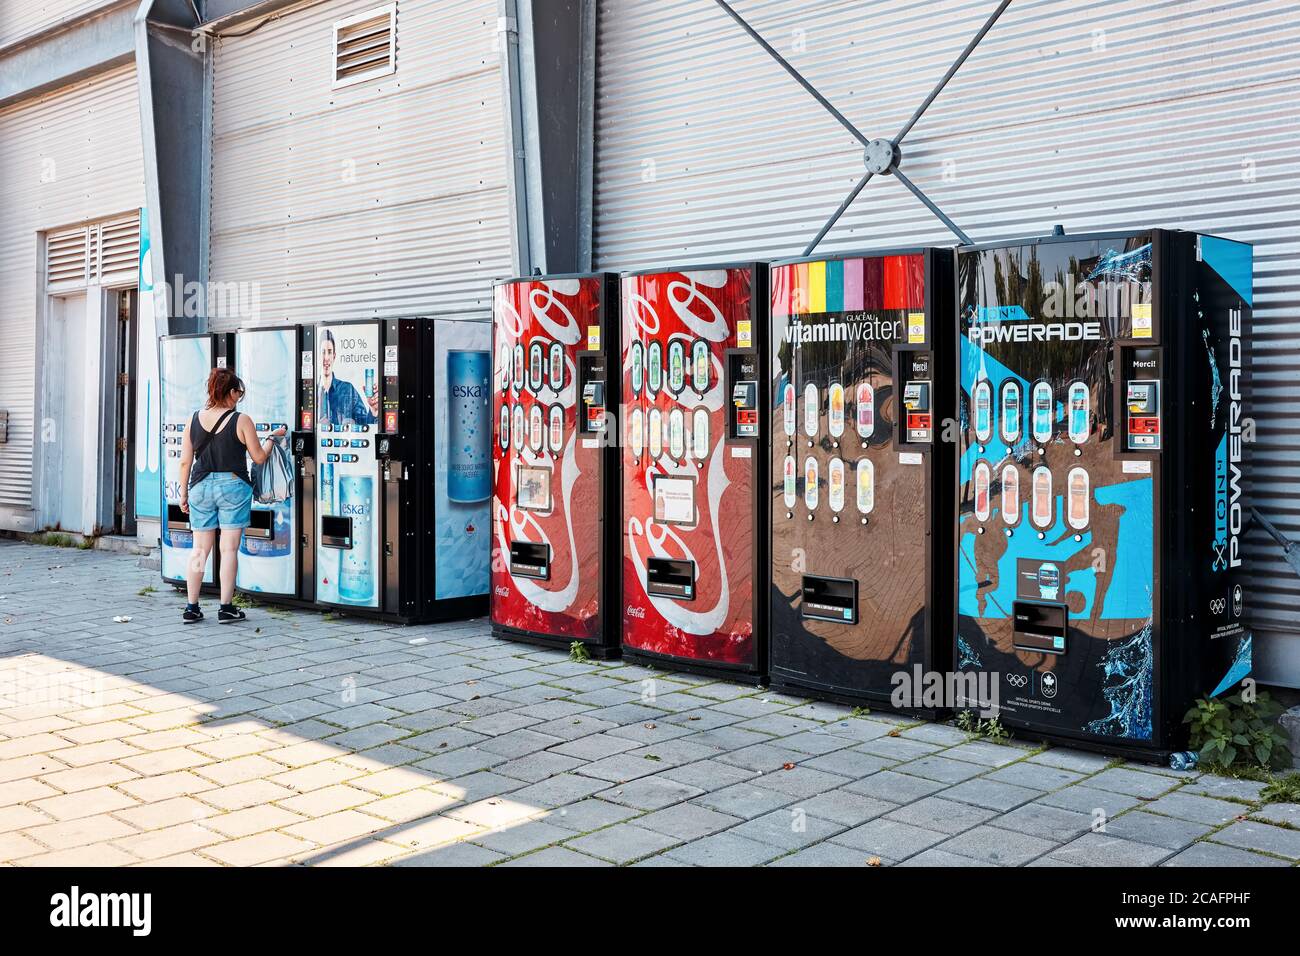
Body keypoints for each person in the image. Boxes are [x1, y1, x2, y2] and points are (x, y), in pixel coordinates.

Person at [177, 367, 286, 623]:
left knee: (199, 551)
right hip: (233, 486)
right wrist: (272, 438)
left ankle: (191, 607)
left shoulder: (193, 419)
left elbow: (185, 461)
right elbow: (259, 457)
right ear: (232, 392)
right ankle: (226, 607)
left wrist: (184, 493)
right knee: (228, 550)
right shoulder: (241, 420)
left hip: (200, 486)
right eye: (239, 392)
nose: (240, 397)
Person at [317, 329, 379, 429]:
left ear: (334, 356)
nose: (326, 357)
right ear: (318, 356)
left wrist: (373, 411)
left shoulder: (348, 390)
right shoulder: (312, 394)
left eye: (329, 352)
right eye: (323, 352)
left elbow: (365, 427)